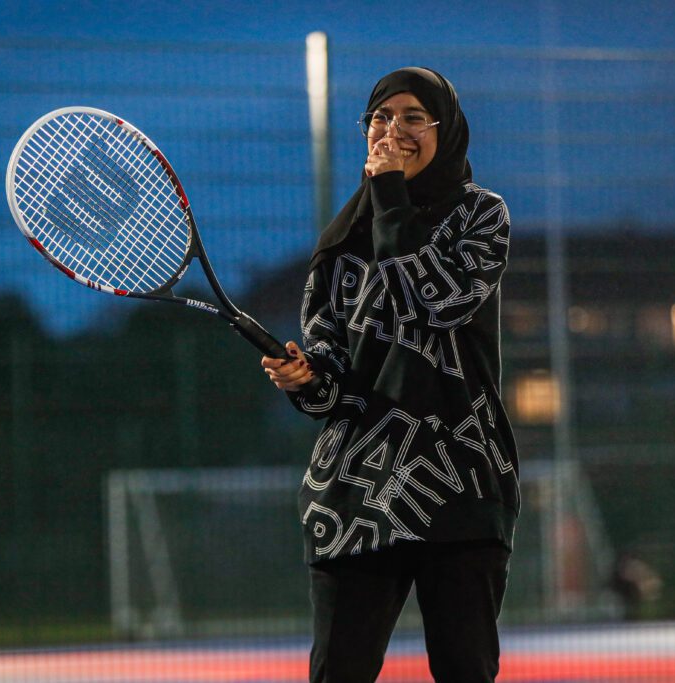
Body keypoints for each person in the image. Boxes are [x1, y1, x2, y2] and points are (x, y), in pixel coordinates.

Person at [262, 67, 519, 683]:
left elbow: (435, 300)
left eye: (412, 117)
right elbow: (334, 379)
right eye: (381, 118)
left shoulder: (481, 216)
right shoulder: (342, 244)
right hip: (357, 491)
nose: (393, 130)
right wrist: (306, 380)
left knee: (466, 670)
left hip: (458, 482)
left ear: (445, 129)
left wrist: (390, 197)